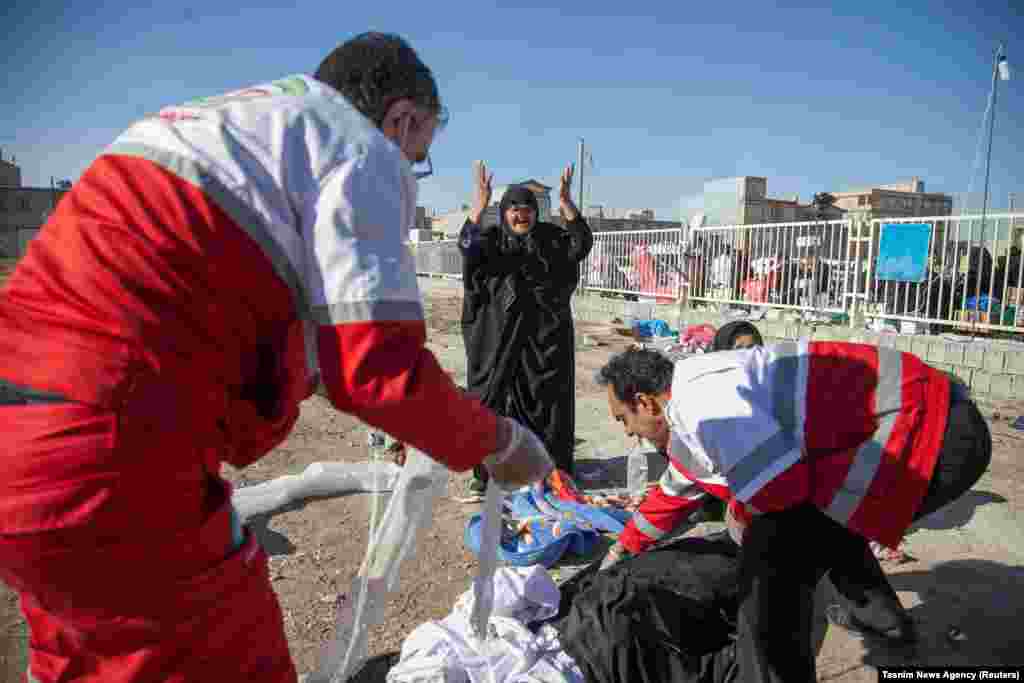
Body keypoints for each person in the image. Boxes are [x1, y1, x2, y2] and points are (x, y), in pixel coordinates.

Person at [0, 33, 553, 683]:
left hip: (25, 446)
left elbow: (279, 325)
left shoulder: (228, 126)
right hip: (112, 459)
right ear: (401, 118)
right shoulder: (356, 147)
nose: (410, 170)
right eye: (418, 152)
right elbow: (379, 368)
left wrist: (399, 421)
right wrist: (498, 440)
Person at [596, 344, 990, 683]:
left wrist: (742, 518)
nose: (629, 433)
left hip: (934, 433)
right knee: (825, 523)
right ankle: (885, 624)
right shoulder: (692, 411)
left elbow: (779, 493)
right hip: (933, 423)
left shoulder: (703, 403)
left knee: (774, 556)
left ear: (645, 403)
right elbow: (671, 496)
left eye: (623, 419)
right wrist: (625, 547)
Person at [458, 162, 593, 495]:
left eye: (528, 209)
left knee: (548, 405)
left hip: (545, 345)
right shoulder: (491, 242)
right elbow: (466, 246)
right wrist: (479, 205)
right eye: (514, 209)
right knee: (492, 403)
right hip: (499, 344)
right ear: (504, 213)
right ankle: (491, 472)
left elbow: (582, 244)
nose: (521, 215)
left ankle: (549, 471)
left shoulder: (550, 240)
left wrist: (566, 203)